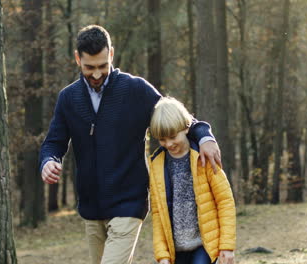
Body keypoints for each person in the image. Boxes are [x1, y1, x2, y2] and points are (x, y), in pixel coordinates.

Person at [39, 25, 222, 264]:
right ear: (77, 59)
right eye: (89, 68)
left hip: (128, 203)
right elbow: (54, 142)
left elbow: (178, 119)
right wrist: (48, 161)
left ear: (111, 55)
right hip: (91, 209)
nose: (96, 75)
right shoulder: (68, 98)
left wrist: (205, 137)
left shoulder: (135, 89)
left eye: (103, 67)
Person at [148, 97, 236, 264]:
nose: (168, 143)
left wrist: (227, 246)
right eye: (162, 139)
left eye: (173, 136)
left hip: (204, 246)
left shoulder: (205, 157)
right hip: (176, 250)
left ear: (186, 127)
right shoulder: (156, 164)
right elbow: (158, 213)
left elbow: (225, 201)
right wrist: (162, 256)